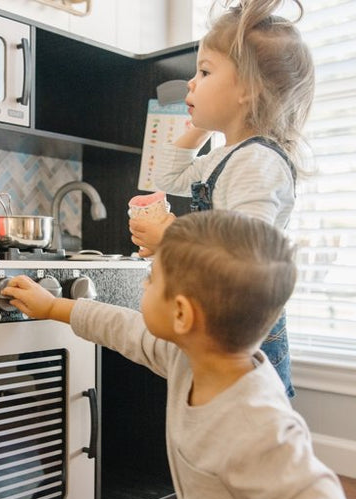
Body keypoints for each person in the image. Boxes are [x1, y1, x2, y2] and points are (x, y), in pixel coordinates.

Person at [2, 210, 353, 499]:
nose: (144, 284)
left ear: (182, 313)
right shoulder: (190, 356)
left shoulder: (258, 423)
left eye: (151, 278)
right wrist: (53, 308)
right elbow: (124, 328)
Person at [129, 0, 315, 399]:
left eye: (205, 71)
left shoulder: (258, 162)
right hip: (223, 318)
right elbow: (164, 177)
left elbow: (244, 257)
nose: (190, 84)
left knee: (247, 430)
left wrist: (171, 239)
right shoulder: (227, 156)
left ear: (249, 90)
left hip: (247, 332)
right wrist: (196, 129)